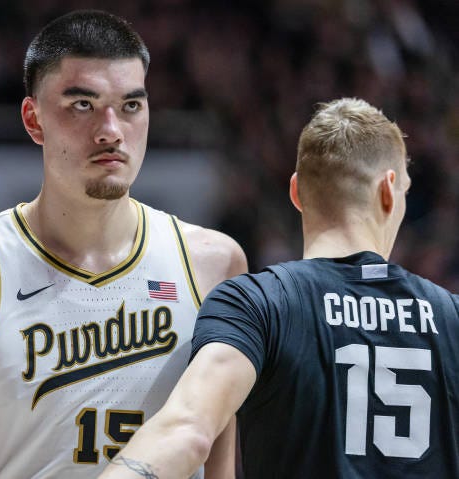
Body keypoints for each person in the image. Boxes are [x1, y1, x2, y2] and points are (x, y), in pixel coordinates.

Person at [0, 10, 247, 479]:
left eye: (130, 105)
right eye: (83, 104)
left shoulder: (214, 264)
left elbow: (219, 466)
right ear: (33, 118)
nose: (111, 130)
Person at [98, 97, 459, 479]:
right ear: (389, 191)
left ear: (296, 192)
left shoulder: (257, 304)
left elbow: (187, 431)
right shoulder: (451, 317)